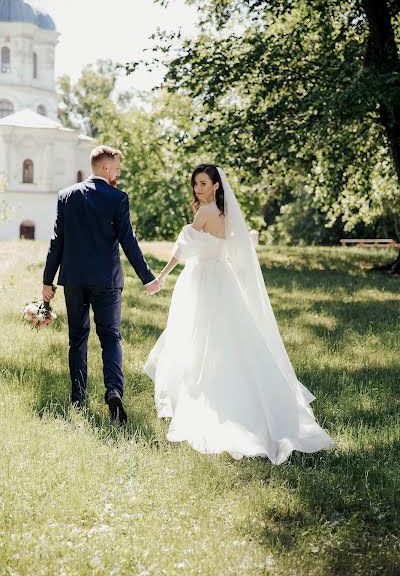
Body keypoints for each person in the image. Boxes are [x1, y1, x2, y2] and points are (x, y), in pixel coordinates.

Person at [144, 164, 336, 463]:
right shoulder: (228, 214)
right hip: (224, 278)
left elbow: (182, 250)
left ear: (217, 186)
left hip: (203, 280)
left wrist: (162, 277)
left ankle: (207, 398)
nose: (198, 188)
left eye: (204, 183)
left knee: (198, 338)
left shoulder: (205, 212)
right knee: (229, 339)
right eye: (196, 183)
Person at [42, 145, 161, 424]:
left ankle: (78, 398)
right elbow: (128, 241)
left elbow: (56, 241)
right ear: (106, 167)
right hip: (106, 280)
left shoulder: (66, 196)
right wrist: (148, 278)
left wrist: (47, 280)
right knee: (110, 337)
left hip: (73, 279)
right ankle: (113, 391)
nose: (119, 172)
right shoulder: (117, 198)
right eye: (117, 166)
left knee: (77, 338)